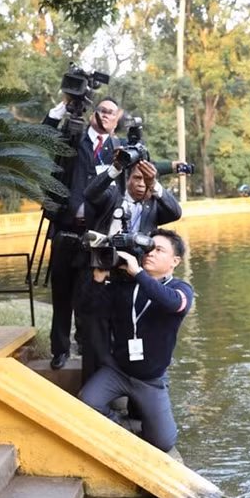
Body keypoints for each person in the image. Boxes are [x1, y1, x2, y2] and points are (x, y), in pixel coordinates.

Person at [77, 229, 193, 452]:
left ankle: (149, 423)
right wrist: (98, 279)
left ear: (175, 261)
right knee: (87, 403)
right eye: (148, 248)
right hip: (118, 372)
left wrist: (139, 273)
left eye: (159, 250)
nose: (151, 253)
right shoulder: (124, 286)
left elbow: (174, 304)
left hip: (151, 379)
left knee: (164, 442)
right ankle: (120, 427)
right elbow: (90, 310)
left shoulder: (180, 289)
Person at [78, 157, 183, 383]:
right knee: (95, 336)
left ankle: (135, 397)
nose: (141, 183)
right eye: (137, 177)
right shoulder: (112, 196)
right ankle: (93, 394)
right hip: (103, 273)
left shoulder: (153, 205)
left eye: (146, 179)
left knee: (132, 334)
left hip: (134, 277)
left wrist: (155, 184)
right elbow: (90, 193)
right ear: (128, 179)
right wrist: (116, 167)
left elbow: (176, 212)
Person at [43, 96, 123, 370]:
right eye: (100, 109)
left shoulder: (116, 148)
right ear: (92, 112)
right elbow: (44, 136)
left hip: (96, 235)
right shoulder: (73, 138)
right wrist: (62, 108)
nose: (104, 115)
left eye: (110, 112)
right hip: (65, 230)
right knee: (62, 294)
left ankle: (86, 345)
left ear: (117, 119)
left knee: (88, 295)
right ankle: (60, 350)